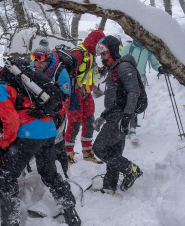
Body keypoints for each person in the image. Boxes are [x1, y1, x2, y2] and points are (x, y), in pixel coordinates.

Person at [0, 64, 81, 226]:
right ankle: (70, 213)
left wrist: (3, 143)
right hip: (47, 129)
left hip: (29, 133)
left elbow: (10, 121)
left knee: (7, 175)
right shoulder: (4, 83)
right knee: (50, 174)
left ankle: (10, 225)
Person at [92, 36, 144, 194]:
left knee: (99, 148)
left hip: (120, 116)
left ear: (113, 51)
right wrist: (103, 116)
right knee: (113, 152)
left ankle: (131, 169)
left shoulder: (123, 67)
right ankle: (109, 186)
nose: (101, 58)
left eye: (104, 54)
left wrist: (127, 117)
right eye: (100, 54)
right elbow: (116, 97)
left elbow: (133, 92)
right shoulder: (114, 68)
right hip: (115, 114)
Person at [29, 39, 71, 177]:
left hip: (56, 113)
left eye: (41, 61)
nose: (37, 64)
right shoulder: (32, 66)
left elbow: (65, 99)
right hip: (39, 111)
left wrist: (55, 114)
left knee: (58, 145)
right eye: (35, 59)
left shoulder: (60, 72)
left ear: (48, 60)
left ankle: (65, 172)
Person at [64, 30, 105, 164]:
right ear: (95, 42)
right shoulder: (78, 53)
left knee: (89, 121)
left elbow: (88, 71)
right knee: (74, 123)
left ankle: (87, 152)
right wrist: (72, 94)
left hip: (86, 93)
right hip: (75, 93)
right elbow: (68, 75)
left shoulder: (91, 53)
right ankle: (67, 154)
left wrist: (100, 71)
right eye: (100, 44)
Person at [120, 40, 167, 141]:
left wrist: (160, 69)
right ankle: (122, 127)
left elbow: (154, 64)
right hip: (126, 80)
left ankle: (132, 129)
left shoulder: (148, 50)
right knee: (125, 103)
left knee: (135, 105)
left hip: (140, 81)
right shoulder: (129, 47)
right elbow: (119, 60)